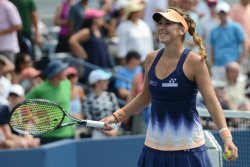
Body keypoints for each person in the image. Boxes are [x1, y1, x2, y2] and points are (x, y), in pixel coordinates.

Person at [101, 7, 238, 166]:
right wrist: (116, 117)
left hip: (188, 150)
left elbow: (212, 102)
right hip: (153, 149)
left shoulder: (195, 62)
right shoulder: (151, 58)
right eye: (159, 23)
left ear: (181, 30)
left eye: (167, 23)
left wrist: (227, 138)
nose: (161, 27)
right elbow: (145, 96)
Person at [26, 60, 75, 144]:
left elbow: (67, 103)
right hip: (49, 136)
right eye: (63, 70)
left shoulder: (67, 84)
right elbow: (23, 105)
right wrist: (34, 119)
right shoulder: (40, 89)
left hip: (68, 134)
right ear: (56, 73)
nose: (65, 72)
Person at [82, 69, 120, 139]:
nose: (108, 82)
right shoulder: (87, 99)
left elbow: (118, 113)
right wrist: (105, 131)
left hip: (114, 133)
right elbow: (88, 120)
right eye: (104, 80)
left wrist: (115, 130)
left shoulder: (111, 95)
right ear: (97, 82)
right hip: (97, 136)